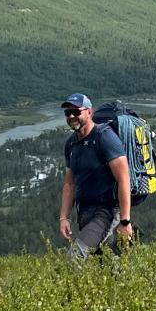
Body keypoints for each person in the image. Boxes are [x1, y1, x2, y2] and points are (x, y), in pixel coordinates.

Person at [57, 93, 134, 257]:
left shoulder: (104, 137)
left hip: (106, 211)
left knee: (75, 256)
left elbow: (124, 179)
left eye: (76, 112)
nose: (71, 116)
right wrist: (64, 218)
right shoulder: (71, 144)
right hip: (85, 212)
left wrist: (125, 220)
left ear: (89, 112)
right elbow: (70, 184)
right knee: (105, 262)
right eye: (67, 113)